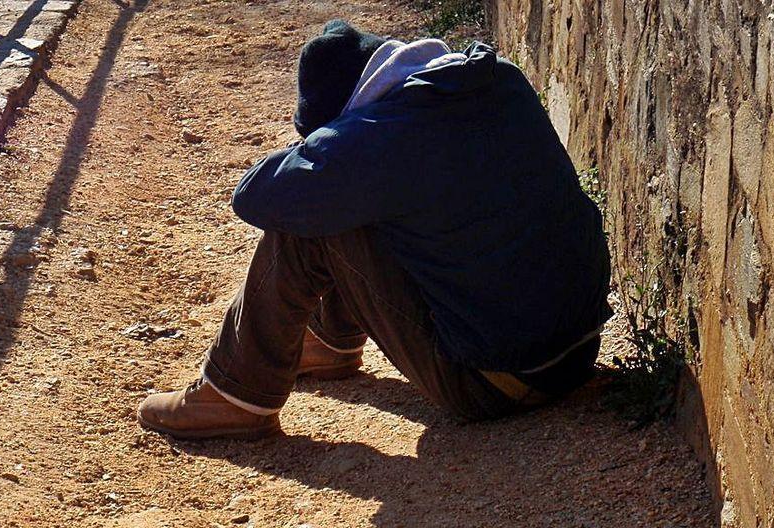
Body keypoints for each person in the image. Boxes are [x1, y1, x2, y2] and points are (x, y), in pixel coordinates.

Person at [136, 20, 612, 439]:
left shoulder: (384, 136)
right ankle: (329, 342)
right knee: (370, 200)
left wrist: (329, 146)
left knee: (311, 212)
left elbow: (255, 196)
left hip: (497, 383)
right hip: (576, 352)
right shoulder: (496, 80)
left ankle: (235, 394)